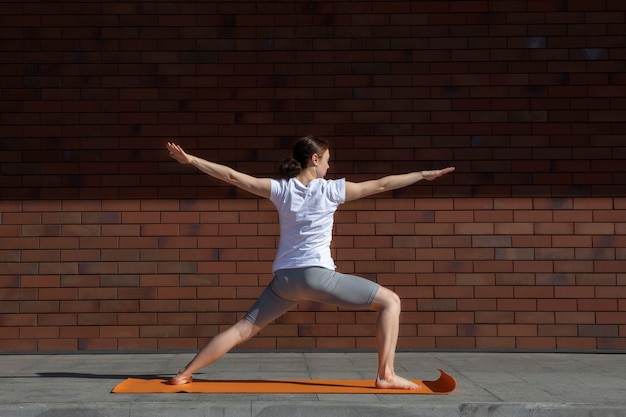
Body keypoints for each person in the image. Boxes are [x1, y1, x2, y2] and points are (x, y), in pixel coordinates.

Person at [166, 136, 454, 389]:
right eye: (327, 160)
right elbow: (382, 185)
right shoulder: (330, 190)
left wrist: (191, 160)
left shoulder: (280, 189)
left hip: (285, 282)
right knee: (391, 302)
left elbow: (232, 176)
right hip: (317, 277)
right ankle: (386, 374)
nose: (329, 167)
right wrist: (423, 174)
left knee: (243, 329)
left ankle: (184, 373)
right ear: (314, 159)